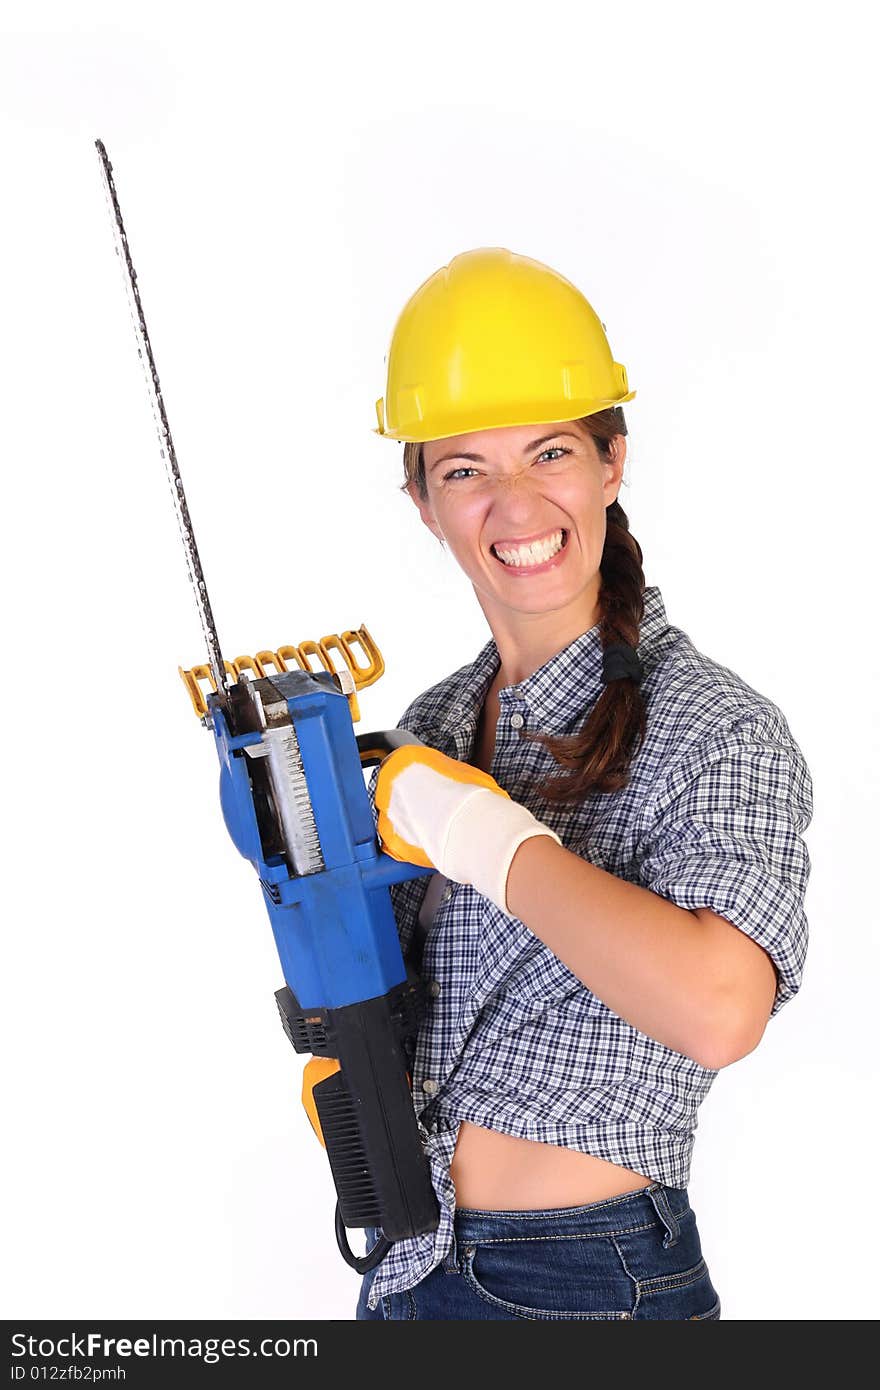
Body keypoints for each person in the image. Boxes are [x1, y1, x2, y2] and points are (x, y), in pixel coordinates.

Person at [355, 247, 813, 1320]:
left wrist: (484, 836)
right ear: (422, 499)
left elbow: (718, 1010)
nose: (513, 503)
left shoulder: (712, 726)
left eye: (549, 452)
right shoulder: (428, 727)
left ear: (611, 462)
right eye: (464, 468)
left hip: (583, 1283)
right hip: (410, 1261)